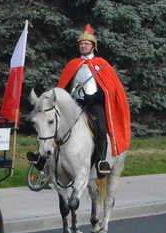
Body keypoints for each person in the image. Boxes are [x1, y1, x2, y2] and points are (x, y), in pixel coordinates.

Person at [27, 24, 130, 176]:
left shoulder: (102, 65)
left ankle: (101, 161)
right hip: (73, 104)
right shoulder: (72, 65)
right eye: (81, 44)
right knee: (49, 125)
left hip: (94, 104)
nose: (83, 46)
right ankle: (41, 159)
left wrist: (94, 97)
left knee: (101, 128)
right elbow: (64, 87)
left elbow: (109, 89)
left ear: (93, 47)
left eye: (86, 44)